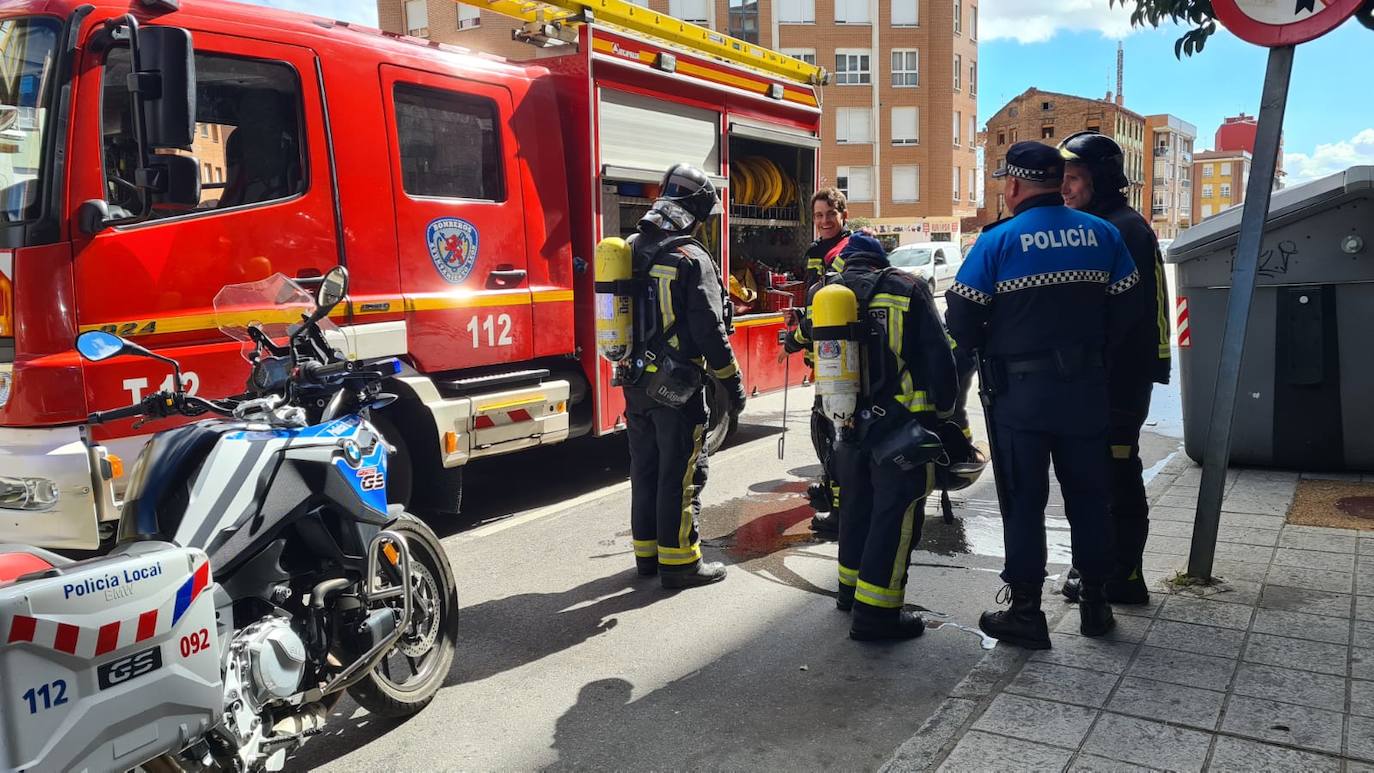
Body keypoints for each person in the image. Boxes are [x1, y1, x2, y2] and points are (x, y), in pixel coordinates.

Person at [945, 142, 1144, 649]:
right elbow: (1129, 314)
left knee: (1023, 500)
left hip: (1021, 397)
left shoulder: (997, 242)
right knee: (1090, 499)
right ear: (1060, 181)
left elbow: (961, 321)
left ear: (1012, 186)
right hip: (1087, 392)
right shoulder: (1104, 234)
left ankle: (1027, 613)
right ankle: (1096, 604)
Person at [821, 233, 958, 641]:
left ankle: (849, 592)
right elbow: (940, 359)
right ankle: (877, 616)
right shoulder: (908, 288)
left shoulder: (829, 293)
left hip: (846, 427)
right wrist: (946, 417)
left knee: (856, 508)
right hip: (900, 427)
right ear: (880, 261)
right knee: (895, 516)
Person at [1057, 131, 1171, 606]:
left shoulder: (1121, 228)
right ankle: (1094, 566)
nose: (1064, 188)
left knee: (1115, 475)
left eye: (1074, 178)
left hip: (1118, 381)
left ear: (1100, 180)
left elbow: (1127, 317)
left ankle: (1124, 575)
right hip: (1101, 379)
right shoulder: (1101, 223)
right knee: (1094, 476)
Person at [621, 164, 747, 590]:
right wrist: (733, 385)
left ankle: (647, 555)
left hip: (635, 383)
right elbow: (709, 331)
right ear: (694, 211)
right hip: (677, 388)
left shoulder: (629, 249)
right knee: (682, 473)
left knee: (646, 470)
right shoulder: (691, 257)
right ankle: (680, 563)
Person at [784, 188, 853, 537]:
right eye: (819, 215)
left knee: (834, 431)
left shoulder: (851, 249)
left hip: (840, 355)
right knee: (828, 430)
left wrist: (797, 337)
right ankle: (836, 498)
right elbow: (814, 296)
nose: (825, 221)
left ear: (843, 213)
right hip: (822, 354)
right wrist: (800, 317)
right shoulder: (814, 252)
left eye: (830, 214)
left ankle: (842, 512)